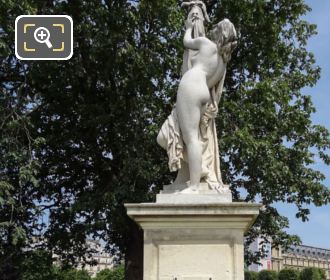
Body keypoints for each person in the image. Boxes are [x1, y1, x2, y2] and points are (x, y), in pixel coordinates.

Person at [157, 18, 237, 193]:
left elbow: (187, 42)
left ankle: (194, 185)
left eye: (216, 27)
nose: (213, 28)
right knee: (169, 136)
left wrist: (188, 28)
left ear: (220, 32)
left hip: (191, 87)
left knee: (190, 139)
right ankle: (198, 167)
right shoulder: (223, 62)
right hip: (203, 93)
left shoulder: (205, 43)